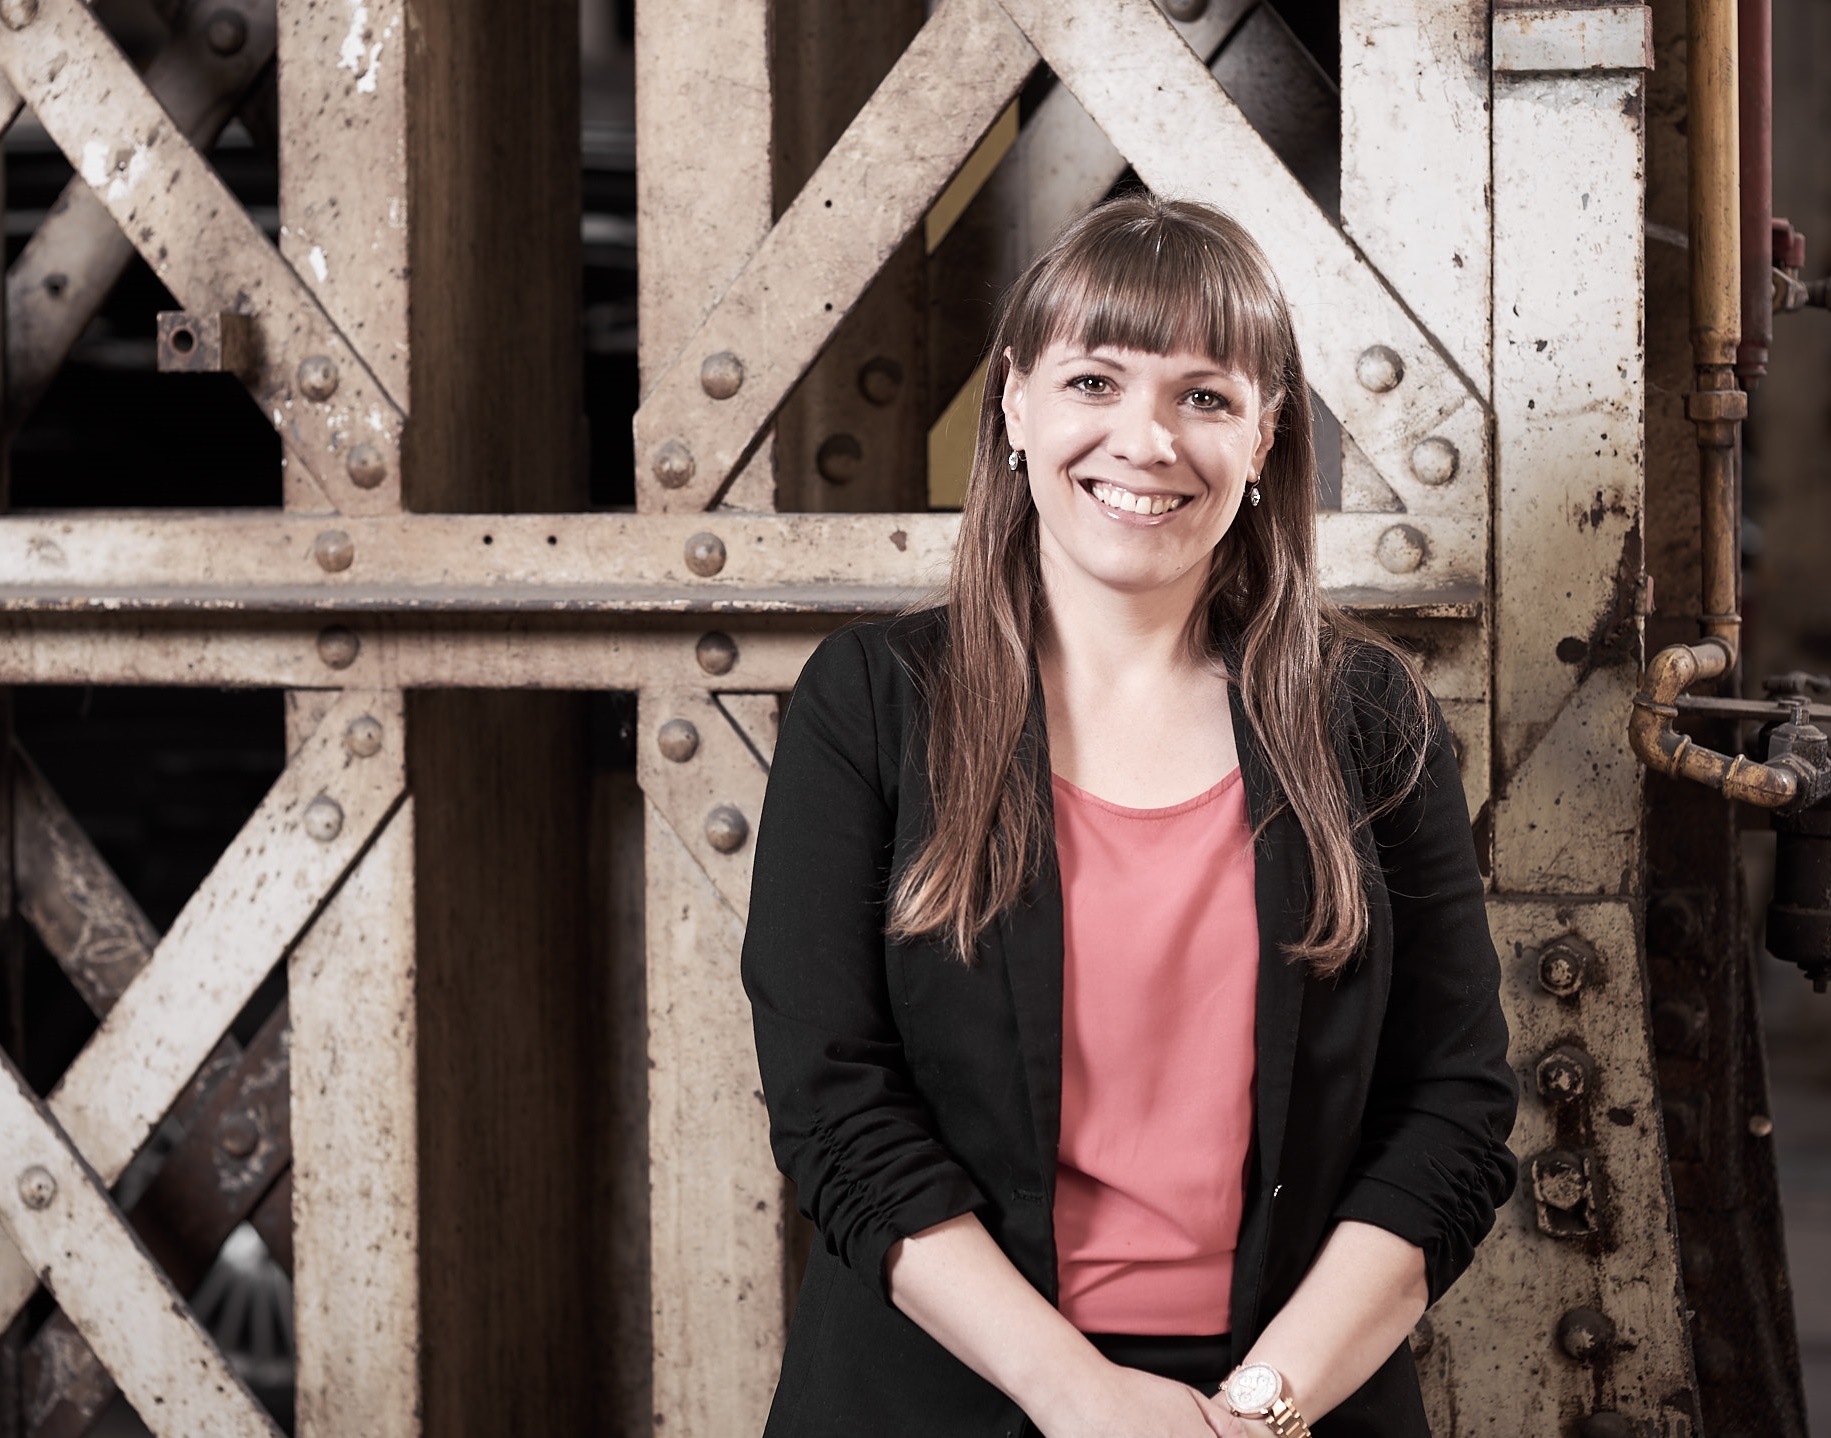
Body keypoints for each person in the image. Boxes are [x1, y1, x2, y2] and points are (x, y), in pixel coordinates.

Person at [741, 193, 1517, 1438]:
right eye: (1093, 382)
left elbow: (1454, 1112)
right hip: (937, 1397)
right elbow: (833, 1108)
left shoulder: (1368, 718)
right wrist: (1087, 1402)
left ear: (1264, 436)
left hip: (1285, 1403)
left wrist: (1255, 1412)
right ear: (1015, 403)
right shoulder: (875, 704)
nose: (1145, 441)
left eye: (1203, 396)